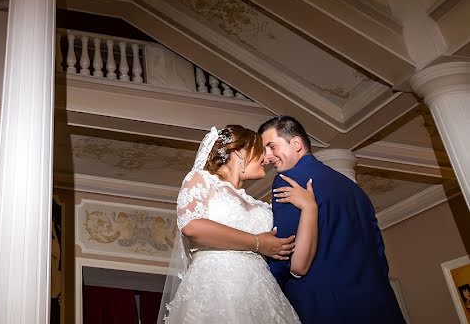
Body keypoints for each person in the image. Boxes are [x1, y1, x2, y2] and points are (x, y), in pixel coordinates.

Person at [158, 125, 317, 323]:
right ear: (240, 152)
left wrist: (310, 208)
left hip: (262, 294)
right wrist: (257, 242)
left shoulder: (260, 206)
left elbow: (295, 258)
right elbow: (193, 226)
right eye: (261, 149)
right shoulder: (201, 180)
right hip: (215, 289)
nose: (267, 158)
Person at [259, 115, 405, 324]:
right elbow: (378, 250)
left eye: (271, 146)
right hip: (378, 302)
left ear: (297, 143)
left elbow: (285, 250)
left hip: (324, 305)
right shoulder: (353, 189)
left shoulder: (289, 181)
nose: (267, 157)